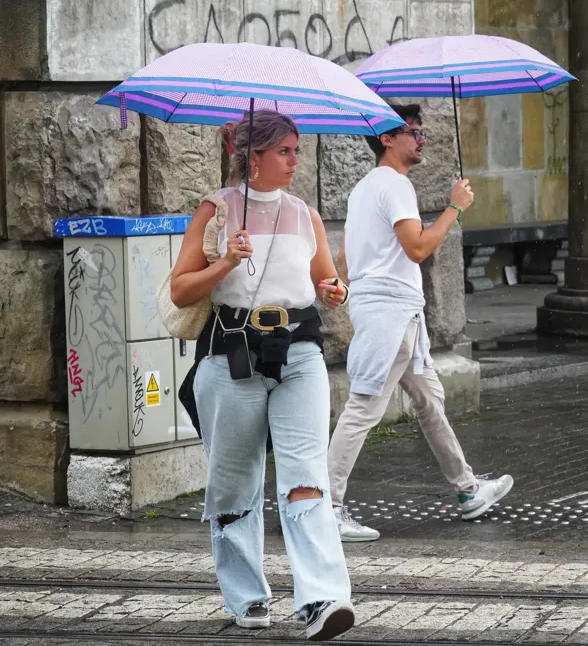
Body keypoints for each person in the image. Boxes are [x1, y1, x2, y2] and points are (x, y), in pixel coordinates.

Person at [170, 110, 355, 640]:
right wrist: (226, 261)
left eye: (297, 150)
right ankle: (247, 596)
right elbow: (181, 289)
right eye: (286, 151)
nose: (297, 160)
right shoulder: (217, 209)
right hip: (232, 358)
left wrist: (335, 290)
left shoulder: (306, 215)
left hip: (298, 355)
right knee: (234, 486)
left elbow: (326, 279)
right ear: (254, 158)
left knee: (304, 480)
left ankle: (323, 598)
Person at [326, 103, 514, 543]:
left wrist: (361, 294)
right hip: (391, 314)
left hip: (394, 312)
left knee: (430, 402)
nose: (421, 137)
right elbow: (416, 249)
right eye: (411, 131)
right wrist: (454, 207)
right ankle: (326, 506)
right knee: (364, 408)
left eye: (421, 129)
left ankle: (468, 490)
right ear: (387, 140)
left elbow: (344, 261)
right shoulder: (394, 185)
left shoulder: (362, 190)